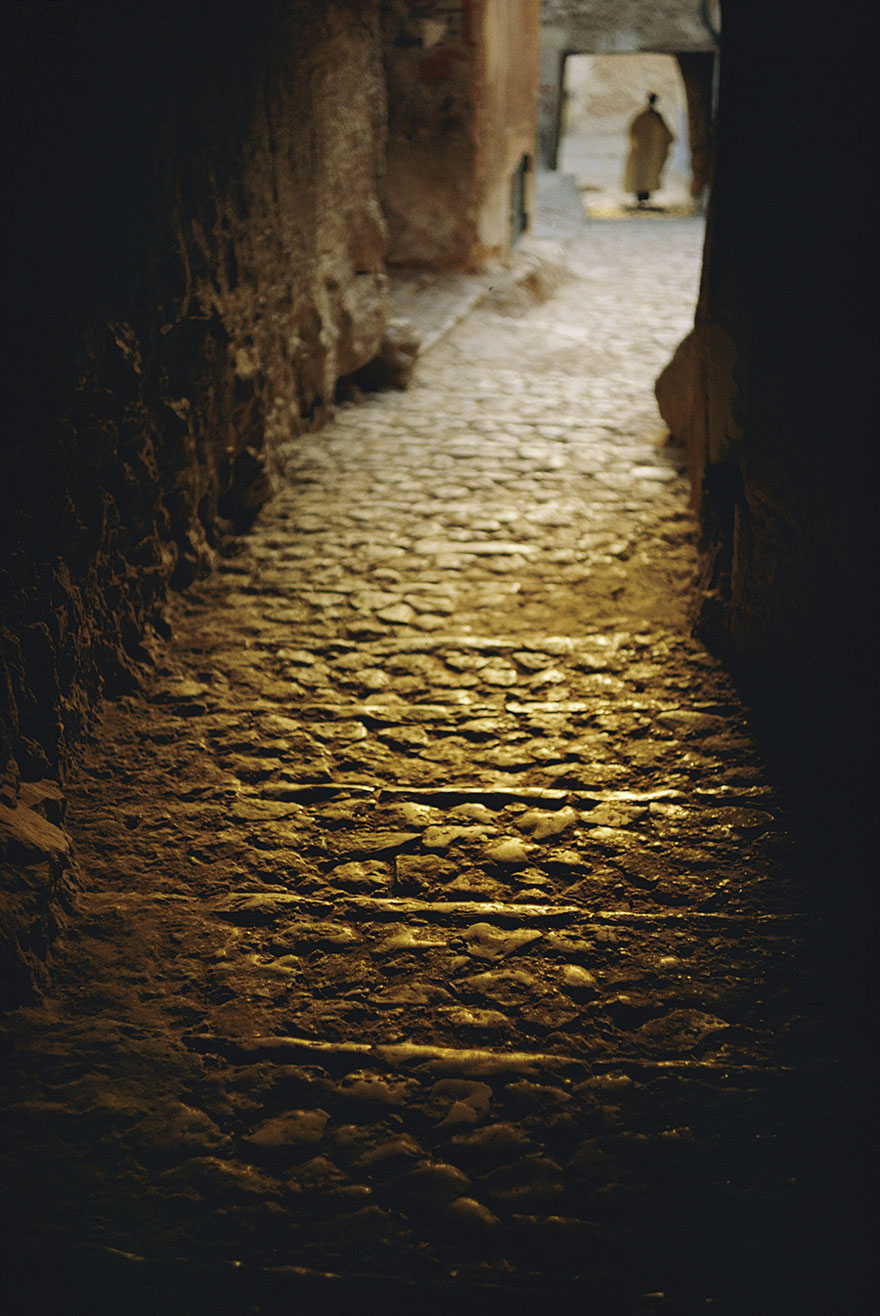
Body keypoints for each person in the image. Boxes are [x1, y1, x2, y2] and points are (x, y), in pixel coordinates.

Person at [624, 92, 674, 206]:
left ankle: (644, 196)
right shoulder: (648, 117)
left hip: (651, 152)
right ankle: (642, 196)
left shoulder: (651, 117)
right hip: (645, 152)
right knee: (643, 175)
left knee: (646, 175)